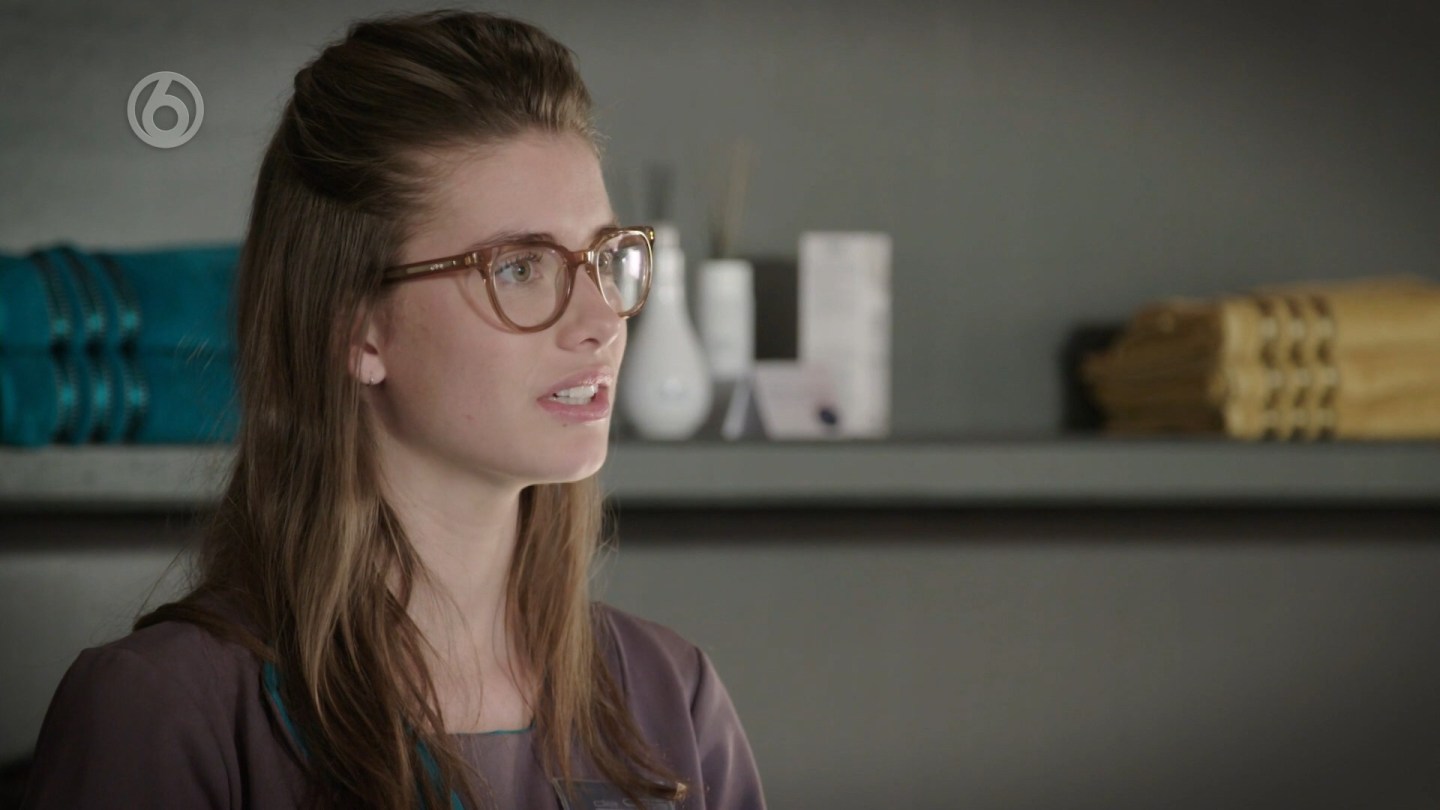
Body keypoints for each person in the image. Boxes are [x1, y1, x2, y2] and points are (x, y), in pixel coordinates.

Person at [21, 9, 765, 810]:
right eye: (520, 268)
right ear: (357, 327)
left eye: (605, 257)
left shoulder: (673, 699)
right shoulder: (163, 713)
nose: (600, 320)